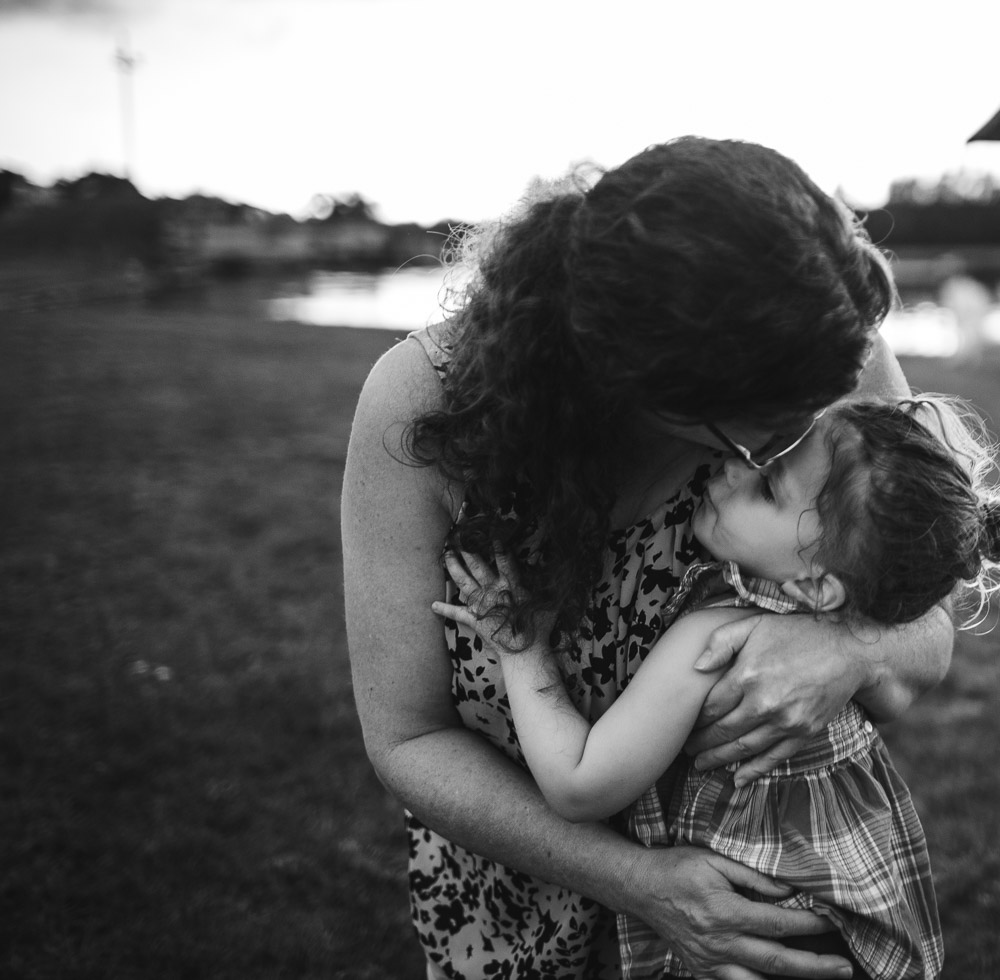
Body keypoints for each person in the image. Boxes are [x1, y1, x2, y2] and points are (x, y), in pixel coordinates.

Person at [341, 136, 956, 980]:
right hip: (521, 891)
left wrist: (849, 642)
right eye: (773, 435)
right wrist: (641, 883)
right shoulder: (421, 404)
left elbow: (924, 622)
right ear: (643, 388)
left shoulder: (821, 341)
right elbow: (406, 739)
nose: (802, 437)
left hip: (766, 871)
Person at [433, 395, 1000, 980]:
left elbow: (579, 784)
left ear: (818, 587)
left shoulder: (714, 638)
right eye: (777, 448)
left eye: (769, 487)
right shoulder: (859, 598)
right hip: (848, 894)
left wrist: (521, 649)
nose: (742, 463)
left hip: (766, 922)